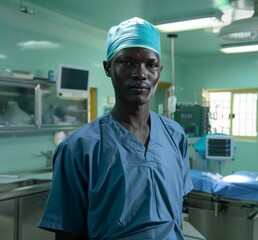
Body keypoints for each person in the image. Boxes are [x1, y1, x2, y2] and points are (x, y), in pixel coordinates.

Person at [38, 17, 193, 240]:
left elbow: (176, 210)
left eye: (151, 64)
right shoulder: (79, 148)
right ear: (108, 67)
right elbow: (67, 232)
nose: (141, 74)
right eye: (127, 62)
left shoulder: (175, 135)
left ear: (160, 70)